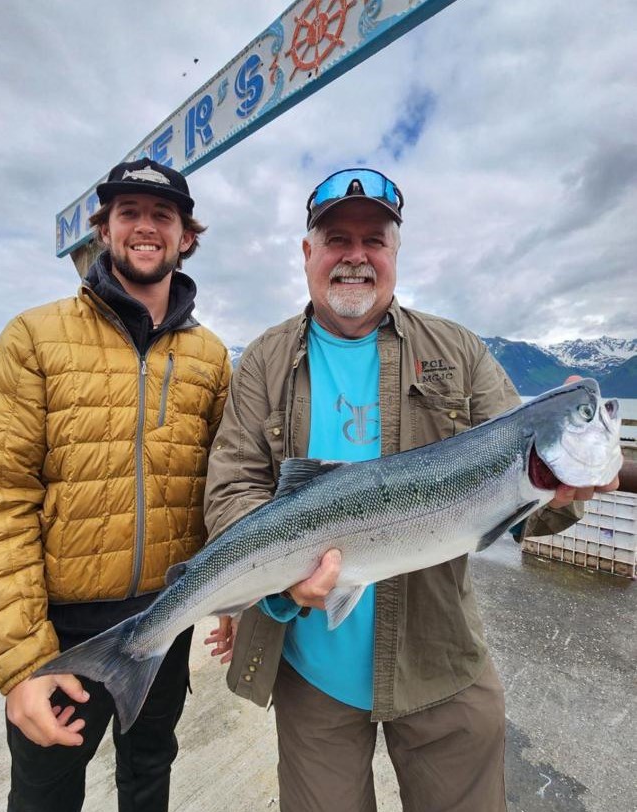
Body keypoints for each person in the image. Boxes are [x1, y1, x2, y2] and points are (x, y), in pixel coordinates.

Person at [203, 168, 618, 812]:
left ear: (396, 253)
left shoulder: (458, 350)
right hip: (312, 674)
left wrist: (562, 496)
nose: (356, 256)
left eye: (375, 240)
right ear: (307, 253)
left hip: (442, 661)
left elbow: (520, 511)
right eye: (337, 238)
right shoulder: (262, 360)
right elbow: (232, 488)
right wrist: (282, 583)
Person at [0, 157, 231, 812]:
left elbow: (226, 493)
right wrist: (19, 662)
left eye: (162, 215)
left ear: (186, 236)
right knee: (45, 793)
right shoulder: (35, 337)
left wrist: (234, 602)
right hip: (62, 630)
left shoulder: (212, 358)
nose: (145, 227)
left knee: (149, 776)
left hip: (169, 616)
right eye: (127, 213)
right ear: (103, 230)